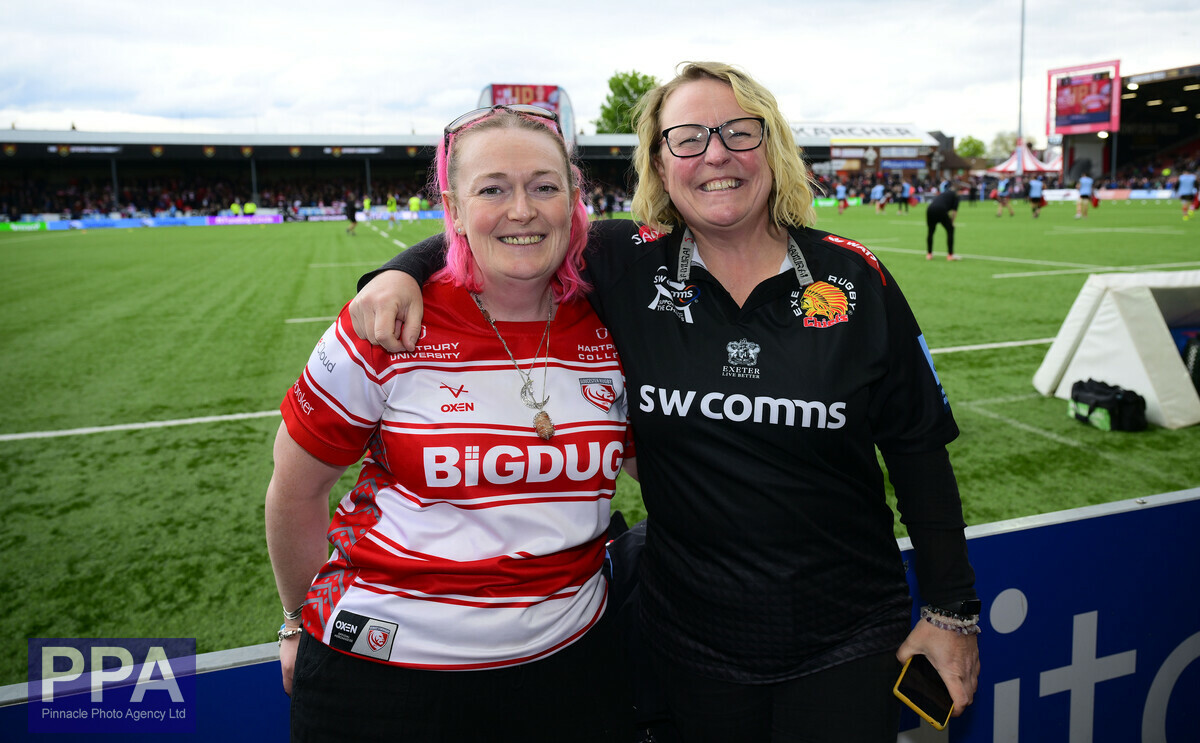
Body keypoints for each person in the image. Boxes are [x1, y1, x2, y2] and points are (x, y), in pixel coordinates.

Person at [350, 62, 980, 742]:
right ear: (658, 162)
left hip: (847, 639)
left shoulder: (856, 277)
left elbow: (919, 451)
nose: (716, 154)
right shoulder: (626, 261)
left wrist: (951, 612)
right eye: (687, 138)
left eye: (740, 132)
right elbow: (508, 226)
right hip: (690, 648)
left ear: (773, 146)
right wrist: (399, 271)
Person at [265, 105, 635, 742]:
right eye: (492, 189)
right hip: (379, 679)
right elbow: (296, 491)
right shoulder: (387, 322)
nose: (522, 209)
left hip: (570, 673)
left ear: (575, 200)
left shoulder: (621, 320)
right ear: (454, 208)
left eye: (545, 186)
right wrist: (297, 620)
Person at [926, 183, 961, 261]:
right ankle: (950, 255)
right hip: (941, 210)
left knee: (931, 232)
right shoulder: (956, 196)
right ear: (959, 191)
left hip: (930, 209)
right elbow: (954, 212)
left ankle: (929, 254)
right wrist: (952, 222)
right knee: (950, 229)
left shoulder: (945, 193)